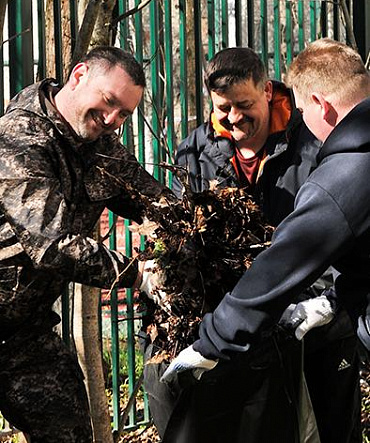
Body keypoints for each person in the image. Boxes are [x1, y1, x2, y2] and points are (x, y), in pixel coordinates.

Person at [162, 38, 370, 440]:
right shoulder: (196, 150)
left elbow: (292, 252)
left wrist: (212, 343)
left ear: (320, 106)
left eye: (244, 105)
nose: (234, 118)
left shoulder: (336, 166)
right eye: (223, 108)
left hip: (304, 326)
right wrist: (343, 294)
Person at [0, 45, 174, 443]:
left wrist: (198, 225)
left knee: (69, 432)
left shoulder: (100, 147)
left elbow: (152, 199)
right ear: (79, 76)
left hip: (25, 334)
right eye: (109, 102)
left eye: (124, 114)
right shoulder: (18, 139)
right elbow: (53, 244)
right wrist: (139, 274)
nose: (112, 119)